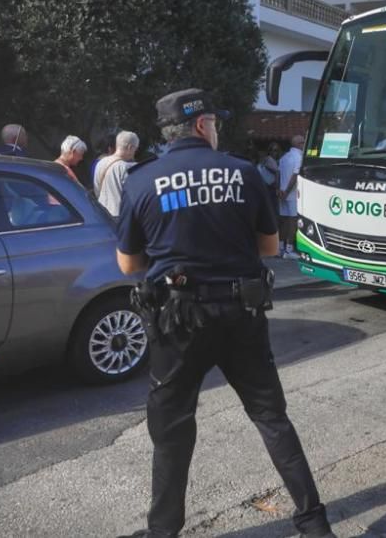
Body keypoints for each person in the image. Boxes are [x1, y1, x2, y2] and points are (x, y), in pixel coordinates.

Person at [114, 89, 334, 538]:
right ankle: (315, 526)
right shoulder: (243, 173)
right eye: (215, 122)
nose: (218, 130)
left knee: (173, 431)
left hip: (177, 322)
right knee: (272, 418)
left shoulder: (141, 180)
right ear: (200, 125)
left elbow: (130, 265)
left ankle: (163, 532)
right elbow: (270, 248)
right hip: (241, 313)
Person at [94, 130, 139, 217]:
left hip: (103, 215)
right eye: (135, 149)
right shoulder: (128, 167)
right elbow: (134, 196)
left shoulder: (100, 163)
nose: (135, 153)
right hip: (121, 215)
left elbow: (96, 189)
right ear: (130, 147)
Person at [277, 135, 305, 259]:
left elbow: (278, 174)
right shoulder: (299, 157)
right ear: (299, 144)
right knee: (293, 222)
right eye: (303, 142)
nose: (304, 144)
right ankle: (289, 250)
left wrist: (279, 190)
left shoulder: (284, 157)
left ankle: (280, 248)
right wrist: (287, 192)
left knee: (283, 221)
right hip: (292, 194)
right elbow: (295, 176)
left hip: (281, 193)